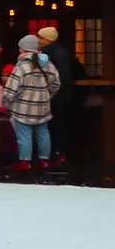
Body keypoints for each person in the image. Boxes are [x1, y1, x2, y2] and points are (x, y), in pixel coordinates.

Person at [1, 34, 62, 175]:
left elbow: (11, 89)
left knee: (24, 135)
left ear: (24, 50)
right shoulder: (48, 65)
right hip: (43, 107)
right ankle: (44, 161)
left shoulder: (21, 67)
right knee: (43, 134)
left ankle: (25, 162)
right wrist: (47, 95)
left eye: (20, 49)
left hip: (23, 107)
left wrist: (7, 102)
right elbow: (56, 84)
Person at [36, 25, 77, 166]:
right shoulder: (61, 52)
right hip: (59, 96)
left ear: (47, 39)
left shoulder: (51, 55)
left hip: (55, 96)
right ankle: (56, 153)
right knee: (57, 125)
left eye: (40, 37)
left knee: (56, 125)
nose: (38, 40)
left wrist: (51, 91)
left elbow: (61, 77)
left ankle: (56, 153)